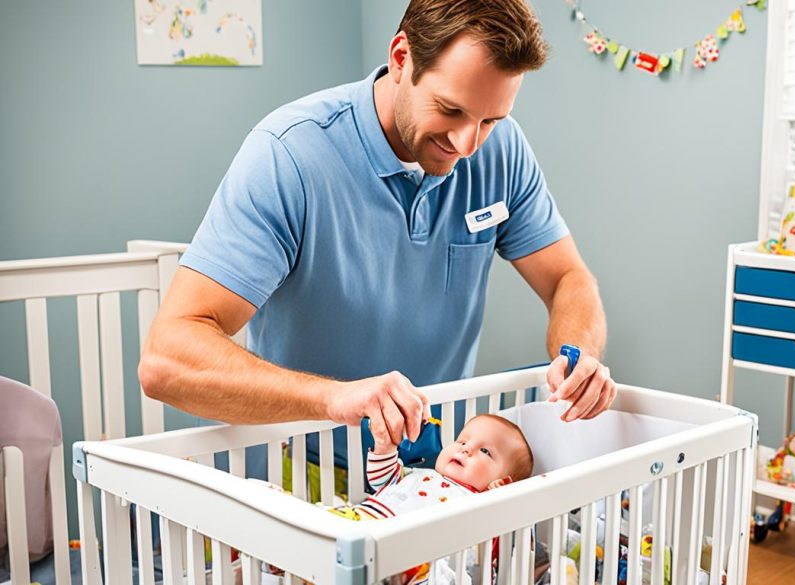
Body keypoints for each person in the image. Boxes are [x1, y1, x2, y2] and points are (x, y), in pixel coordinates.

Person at [138, 0, 616, 454]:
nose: (468, 144)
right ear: (401, 57)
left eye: (489, 119)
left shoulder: (502, 151)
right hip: (299, 465)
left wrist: (579, 358)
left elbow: (567, 278)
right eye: (450, 110)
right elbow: (166, 359)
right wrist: (336, 399)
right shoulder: (289, 156)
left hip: (426, 465)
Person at [335, 414, 532, 520]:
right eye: (462, 441)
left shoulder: (478, 506)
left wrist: (501, 500)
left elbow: (500, 543)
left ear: (501, 483)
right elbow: (381, 481)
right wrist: (384, 448)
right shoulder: (418, 474)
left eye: (485, 451)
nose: (467, 449)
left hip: (401, 551)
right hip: (360, 520)